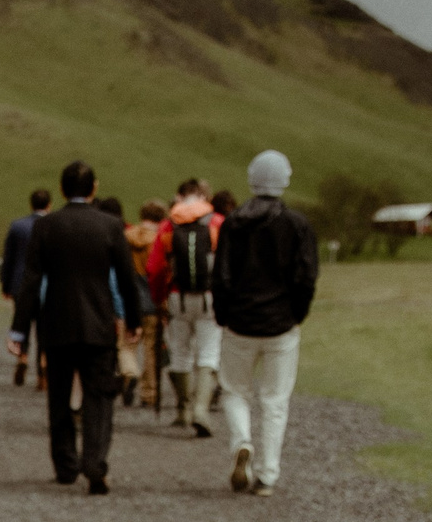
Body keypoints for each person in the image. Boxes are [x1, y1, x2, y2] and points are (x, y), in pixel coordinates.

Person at [8, 160, 147, 494]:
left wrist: (19, 332)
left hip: (55, 322)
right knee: (99, 396)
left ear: (61, 189)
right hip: (98, 323)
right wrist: (133, 320)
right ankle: (95, 463)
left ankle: (66, 466)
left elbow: (31, 280)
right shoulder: (111, 225)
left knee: (58, 397)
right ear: (94, 188)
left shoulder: (46, 227)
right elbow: (127, 278)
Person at [211, 149, 320, 495]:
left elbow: (221, 276)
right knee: (275, 401)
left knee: (234, 391)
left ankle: (242, 441)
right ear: (284, 179)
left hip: (239, 323)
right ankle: (268, 475)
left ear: (251, 179)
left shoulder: (232, 224)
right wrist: (295, 315)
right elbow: (307, 277)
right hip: (281, 327)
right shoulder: (298, 225)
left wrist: (224, 315)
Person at [156, 181, 224, 434]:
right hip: (210, 297)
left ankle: (183, 409)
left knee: (180, 353)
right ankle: (201, 410)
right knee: (208, 353)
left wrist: (159, 297)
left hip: (177, 296)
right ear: (204, 196)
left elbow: (156, 268)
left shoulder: (168, 225)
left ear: (180, 196)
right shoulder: (217, 222)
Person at [0, 187, 51, 386]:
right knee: (44, 328)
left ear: (31, 204)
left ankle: (23, 358)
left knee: (23, 322)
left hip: (21, 282)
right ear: (49, 205)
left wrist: (5, 284)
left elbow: (9, 258)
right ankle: (43, 367)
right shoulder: (52, 225)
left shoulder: (17, 226)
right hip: (47, 284)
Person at [123, 201, 167, 406]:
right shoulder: (159, 241)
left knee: (127, 345)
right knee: (151, 349)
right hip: (151, 300)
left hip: (128, 300)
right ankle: (148, 393)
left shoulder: (126, 237)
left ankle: (129, 373)